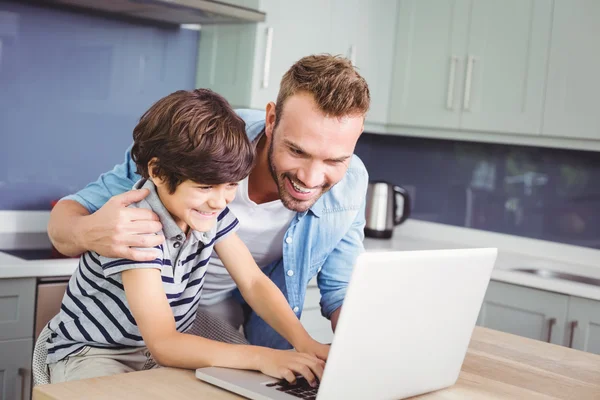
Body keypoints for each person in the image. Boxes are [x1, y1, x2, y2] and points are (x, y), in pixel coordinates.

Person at [48, 54, 371, 349]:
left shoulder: (351, 184)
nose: (312, 178)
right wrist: (90, 231)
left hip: (210, 313)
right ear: (272, 121)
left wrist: (357, 356)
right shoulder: (203, 141)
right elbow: (66, 220)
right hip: (125, 326)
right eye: (297, 151)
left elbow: (338, 291)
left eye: (334, 161)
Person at [45, 88, 328, 384]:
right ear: (158, 171)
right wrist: (261, 356)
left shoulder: (208, 214)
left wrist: (305, 342)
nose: (220, 201)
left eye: (231, 184)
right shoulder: (138, 225)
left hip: (158, 355)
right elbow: (165, 343)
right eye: (205, 187)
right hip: (97, 353)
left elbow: (253, 282)